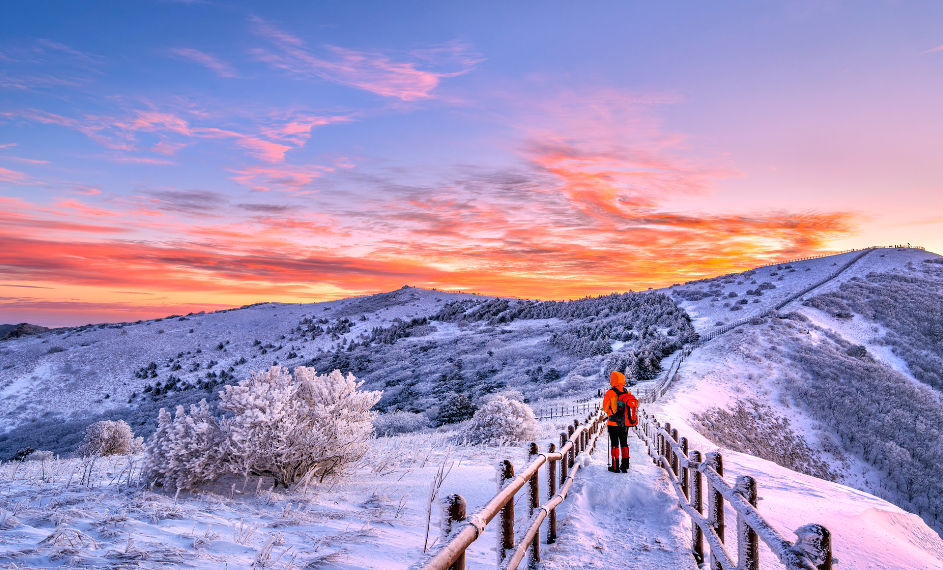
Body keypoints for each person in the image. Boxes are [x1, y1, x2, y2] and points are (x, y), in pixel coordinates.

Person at [602, 371, 638, 473]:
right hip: (625, 423)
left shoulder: (610, 393)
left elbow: (605, 409)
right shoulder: (627, 392)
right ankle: (625, 466)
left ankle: (615, 467)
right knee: (624, 442)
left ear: (612, 380)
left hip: (613, 423)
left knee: (614, 444)